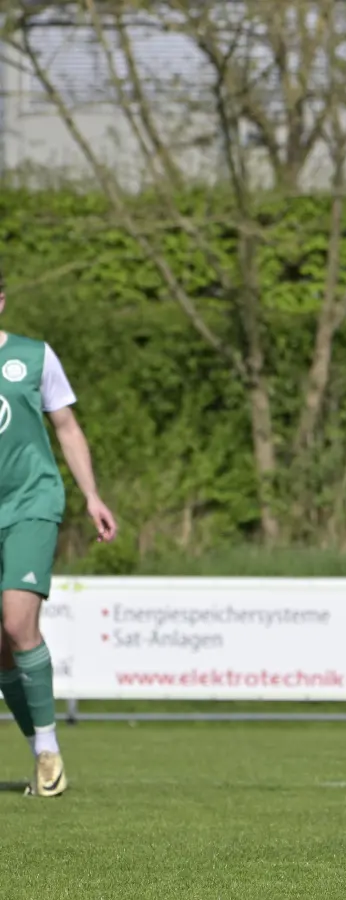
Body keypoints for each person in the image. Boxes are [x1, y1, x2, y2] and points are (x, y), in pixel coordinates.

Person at [0, 268, 118, 799]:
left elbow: (66, 426)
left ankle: (48, 747)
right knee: (1, 649)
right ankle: (42, 753)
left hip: (32, 502)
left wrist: (92, 494)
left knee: (18, 620)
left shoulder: (34, 355)